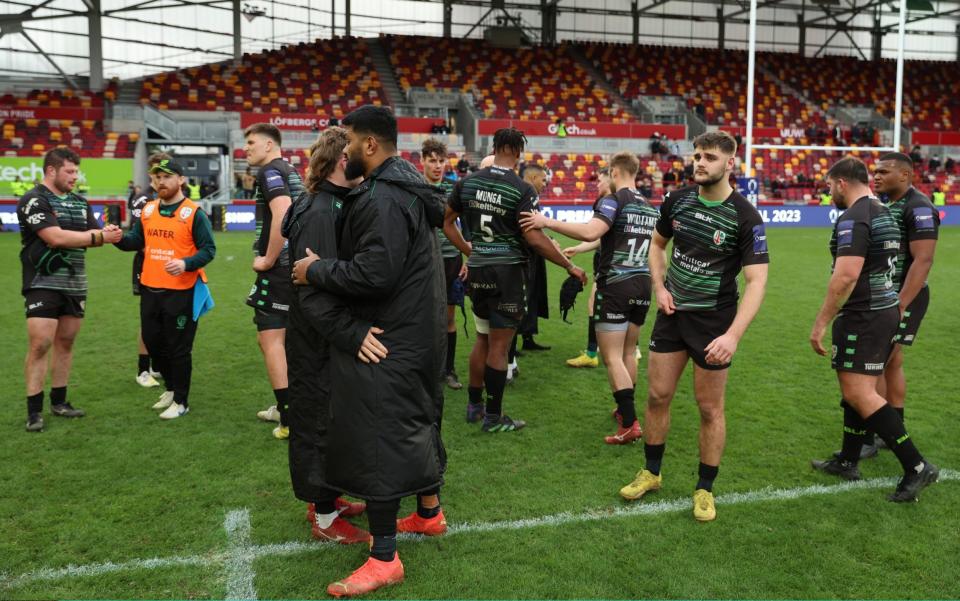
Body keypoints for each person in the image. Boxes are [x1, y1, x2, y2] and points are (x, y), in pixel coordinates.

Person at [292, 105, 448, 596]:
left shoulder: (381, 198)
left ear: (370, 146)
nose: (349, 150)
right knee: (415, 420)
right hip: (419, 333)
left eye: (353, 141)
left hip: (391, 337)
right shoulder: (407, 188)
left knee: (380, 435)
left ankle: (384, 557)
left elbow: (376, 273)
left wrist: (315, 270)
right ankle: (429, 513)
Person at [619, 131, 769, 522]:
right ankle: (651, 472)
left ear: (730, 164)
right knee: (656, 396)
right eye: (697, 155)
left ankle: (705, 488)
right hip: (672, 316)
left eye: (710, 157)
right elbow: (656, 246)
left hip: (714, 324)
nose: (700, 163)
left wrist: (733, 335)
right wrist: (660, 287)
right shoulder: (677, 200)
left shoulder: (745, 217)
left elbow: (757, 282)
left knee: (708, 408)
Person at [809, 157, 938, 502]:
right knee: (855, 389)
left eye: (828, 185)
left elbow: (847, 275)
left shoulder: (855, 217)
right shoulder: (883, 211)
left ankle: (917, 466)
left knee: (859, 392)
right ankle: (849, 460)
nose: (828, 192)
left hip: (864, 314)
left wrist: (821, 322)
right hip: (882, 309)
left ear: (841, 183)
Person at [445, 128, 587, 431]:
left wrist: (469, 249)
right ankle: (494, 418)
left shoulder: (467, 182)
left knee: (482, 340)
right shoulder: (521, 188)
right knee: (499, 346)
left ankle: (474, 406)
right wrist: (568, 266)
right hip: (507, 273)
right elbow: (534, 239)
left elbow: (445, 220)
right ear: (519, 153)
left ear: (494, 147)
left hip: (479, 269)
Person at [521, 151, 659, 445]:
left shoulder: (613, 200)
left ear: (614, 172)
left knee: (610, 356)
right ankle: (626, 409)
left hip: (616, 286)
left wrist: (547, 221)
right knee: (628, 351)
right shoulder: (649, 206)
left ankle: (629, 423)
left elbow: (591, 231)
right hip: (642, 284)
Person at [281, 127, 368, 544]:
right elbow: (313, 288)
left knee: (333, 419)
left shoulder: (329, 203)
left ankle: (329, 499)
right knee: (317, 421)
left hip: (324, 335)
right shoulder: (320, 210)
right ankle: (325, 515)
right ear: (340, 161)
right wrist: (351, 333)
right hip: (317, 337)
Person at [18, 148, 123, 432]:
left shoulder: (79, 202)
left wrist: (108, 233)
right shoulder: (34, 199)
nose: (75, 177)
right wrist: (99, 235)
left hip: (75, 284)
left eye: (77, 171)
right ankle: (34, 410)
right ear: (51, 170)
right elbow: (55, 237)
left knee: (66, 342)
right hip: (42, 282)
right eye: (70, 171)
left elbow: (95, 237)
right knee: (40, 343)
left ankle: (60, 402)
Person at [115, 159, 216, 419]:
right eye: (157, 177)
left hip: (181, 291)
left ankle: (181, 401)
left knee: (178, 348)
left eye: (167, 176)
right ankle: (171, 389)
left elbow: (209, 250)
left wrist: (185, 263)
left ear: (181, 179)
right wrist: (116, 238)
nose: (161, 181)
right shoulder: (148, 210)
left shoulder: (193, 213)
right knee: (152, 341)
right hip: (150, 288)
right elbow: (135, 240)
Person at [859, 153, 939, 456]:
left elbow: (924, 260)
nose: (876, 176)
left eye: (884, 172)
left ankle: (874, 433)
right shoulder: (890, 204)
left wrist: (900, 304)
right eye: (874, 172)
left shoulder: (918, 207)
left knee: (876, 362)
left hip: (905, 296)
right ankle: (893, 428)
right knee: (891, 362)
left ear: (905, 175)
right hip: (888, 295)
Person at [244, 122, 304, 439]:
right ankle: (289, 407)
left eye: (252, 142)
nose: (247, 148)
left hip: (279, 269)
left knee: (271, 339)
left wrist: (267, 259)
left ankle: (289, 417)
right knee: (282, 341)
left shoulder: (269, 173)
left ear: (269, 145)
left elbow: (283, 212)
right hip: (293, 268)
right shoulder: (287, 169)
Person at [421, 137, 467, 390]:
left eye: (441, 161)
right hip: (425, 261)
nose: (437, 166)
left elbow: (467, 227)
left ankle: (448, 371)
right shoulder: (415, 188)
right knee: (425, 318)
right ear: (423, 161)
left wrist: (468, 258)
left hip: (452, 260)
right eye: (432, 161)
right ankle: (427, 369)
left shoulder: (455, 189)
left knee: (449, 318)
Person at [130, 152, 172, 389]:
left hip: (169, 267)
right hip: (148, 266)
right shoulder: (142, 200)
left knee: (166, 317)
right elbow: (140, 239)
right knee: (149, 319)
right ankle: (143, 369)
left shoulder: (173, 199)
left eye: (167, 173)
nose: (162, 178)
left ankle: (157, 365)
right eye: (158, 172)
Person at [565, 167, 612, 368]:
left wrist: (550, 223)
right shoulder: (621, 202)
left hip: (609, 266)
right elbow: (601, 238)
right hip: (619, 266)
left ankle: (592, 353)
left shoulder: (609, 204)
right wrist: (579, 248)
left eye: (600, 180)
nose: (597, 184)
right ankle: (631, 348)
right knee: (617, 306)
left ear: (612, 179)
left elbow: (593, 234)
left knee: (595, 304)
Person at [517, 164, 552, 354]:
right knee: (524, 296)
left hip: (533, 254)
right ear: (532, 178)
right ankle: (513, 342)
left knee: (533, 295)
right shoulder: (524, 194)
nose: (545, 184)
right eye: (543, 179)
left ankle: (528, 337)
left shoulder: (531, 195)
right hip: (524, 255)